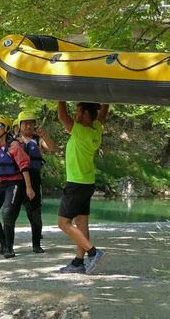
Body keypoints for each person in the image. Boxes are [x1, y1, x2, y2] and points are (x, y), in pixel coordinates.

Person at [57, 101, 109, 274]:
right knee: (81, 224)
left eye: (78, 112)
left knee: (63, 223)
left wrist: (60, 96)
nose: (74, 115)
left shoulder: (82, 132)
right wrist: (105, 100)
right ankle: (78, 263)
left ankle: (93, 252)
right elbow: (101, 116)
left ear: (86, 114)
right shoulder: (96, 130)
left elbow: (61, 116)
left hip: (76, 184)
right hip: (87, 183)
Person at [0, 115, 35, 258]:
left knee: (7, 215)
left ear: (6, 128)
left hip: (15, 183)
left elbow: (24, 167)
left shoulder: (13, 146)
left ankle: (10, 248)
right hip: (0, 183)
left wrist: (28, 187)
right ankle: (3, 245)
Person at [17, 111, 56, 253]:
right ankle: (6, 244)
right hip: (16, 178)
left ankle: (36, 244)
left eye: (31, 123)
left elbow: (52, 148)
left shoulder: (38, 140)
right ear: (20, 125)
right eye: (25, 124)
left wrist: (43, 135)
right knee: (16, 210)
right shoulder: (14, 141)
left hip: (34, 177)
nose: (28, 126)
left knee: (35, 211)